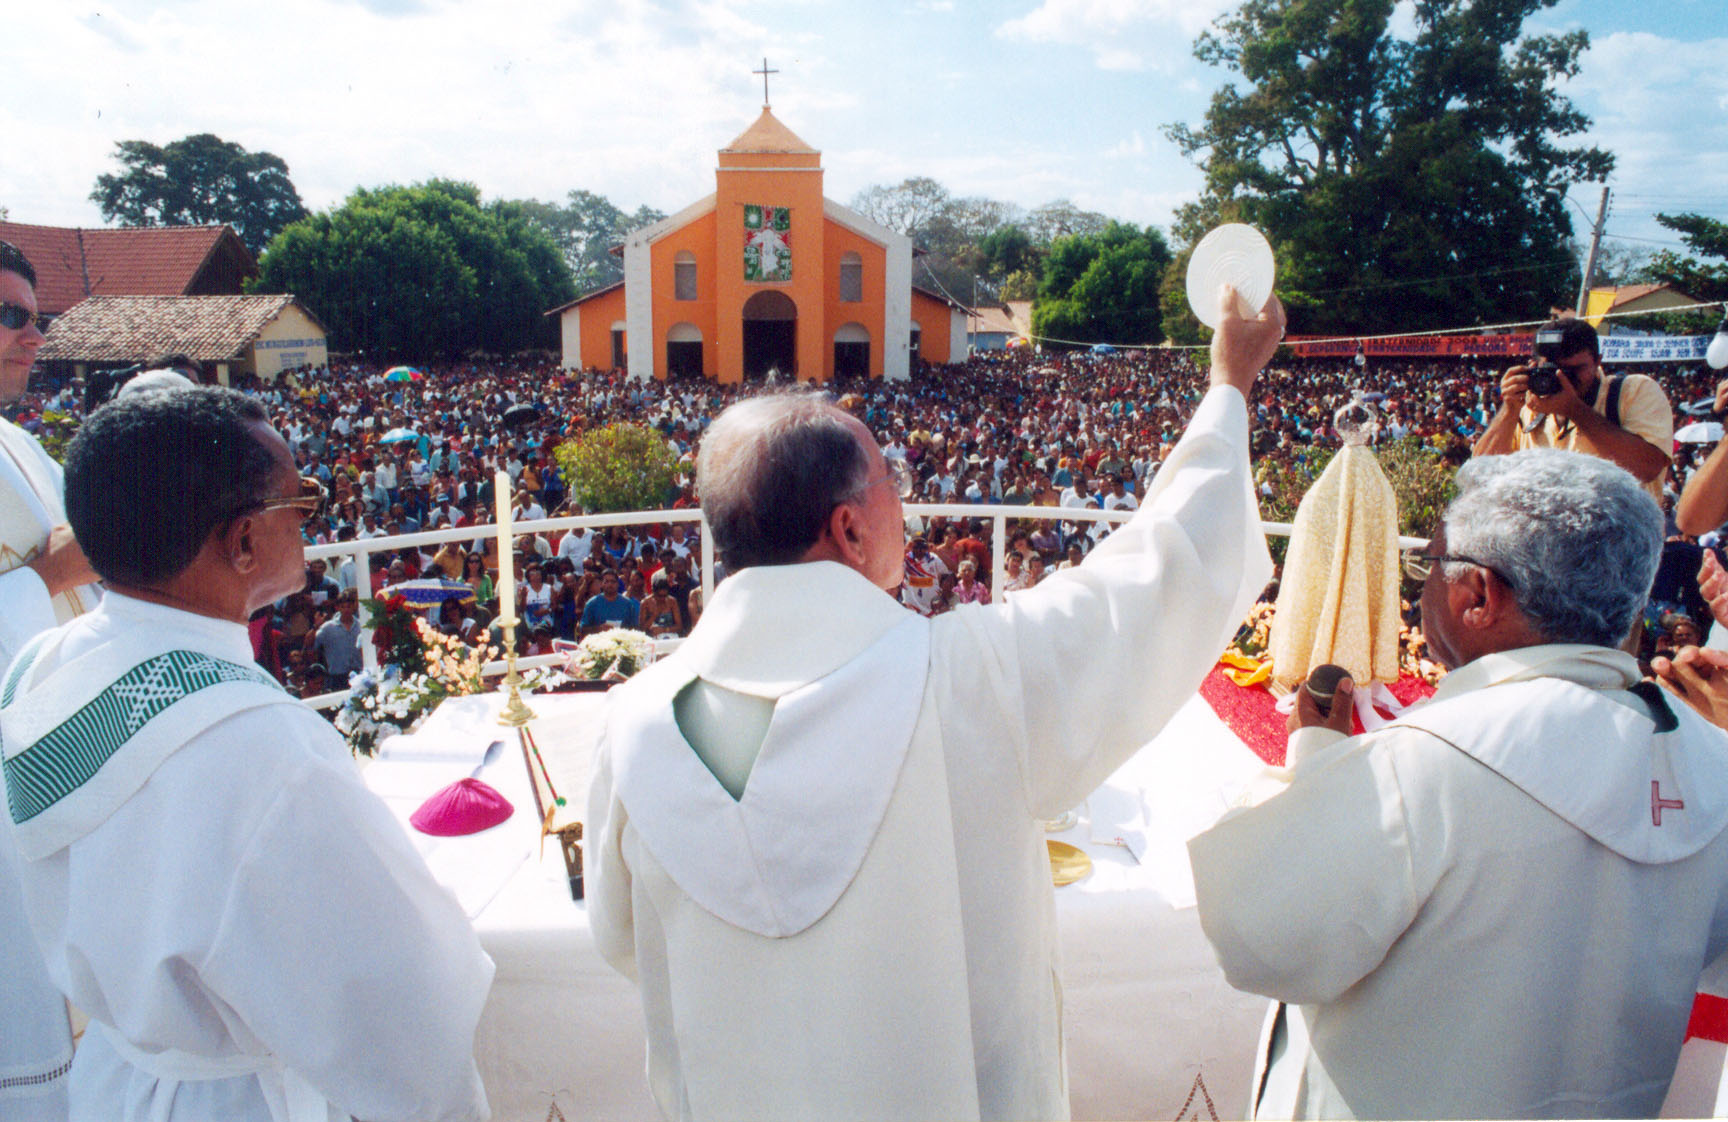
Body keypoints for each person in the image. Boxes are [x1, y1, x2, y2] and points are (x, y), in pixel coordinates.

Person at [587, 286, 1282, 1120]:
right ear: (848, 529)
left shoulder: (639, 721)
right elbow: (1166, 572)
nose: (906, 504)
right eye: (895, 480)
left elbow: (622, 939)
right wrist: (1229, 383)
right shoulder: (972, 680)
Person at [1188, 447, 1728, 1120]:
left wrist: (1315, 766)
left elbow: (1261, 939)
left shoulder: (1424, 766)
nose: (1422, 588)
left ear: (1476, 595)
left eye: (1431, 567)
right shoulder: (1710, 759)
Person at [0, 387, 493, 1121]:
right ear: (241, 542)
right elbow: (407, 1012)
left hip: (111, 1080)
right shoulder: (265, 749)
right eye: (302, 503)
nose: (312, 522)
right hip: (234, 1100)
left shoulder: (40, 667)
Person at [0, 239, 102, 1120]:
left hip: (54, 770)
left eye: (38, 320)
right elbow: (62, 577)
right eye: (9, 317)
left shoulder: (23, 451)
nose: (32, 338)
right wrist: (47, 582)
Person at [1472, 317, 1672, 502]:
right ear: (1533, 365)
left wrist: (1575, 410)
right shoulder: (1528, 406)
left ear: (1597, 361)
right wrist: (1508, 410)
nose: (1563, 379)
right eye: (1553, 370)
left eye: (1573, 370)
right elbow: (1479, 475)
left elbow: (1647, 468)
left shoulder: (1632, 391)